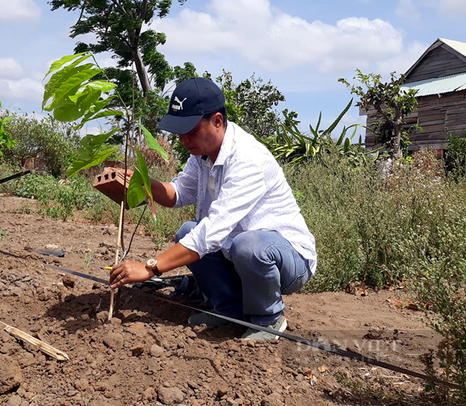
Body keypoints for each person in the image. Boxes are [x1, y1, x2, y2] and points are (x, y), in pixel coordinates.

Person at [110, 77, 317, 340]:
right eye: (179, 132)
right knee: (188, 231)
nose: (184, 139)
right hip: (240, 253)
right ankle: (230, 312)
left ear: (217, 121)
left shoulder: (247, 159)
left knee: (248, 245)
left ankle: (267, 319)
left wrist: (150, 267)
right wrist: (142, 184)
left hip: (287, 260)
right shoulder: (201, 154)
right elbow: (178, 193)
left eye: (191, 130)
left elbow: (212, 232)